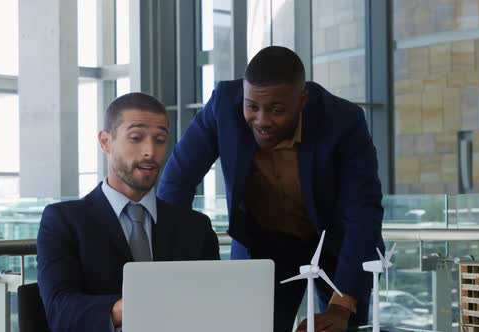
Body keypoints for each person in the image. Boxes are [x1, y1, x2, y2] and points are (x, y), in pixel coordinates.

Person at [157, 46, 384, 332]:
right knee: (253, 326)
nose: (262, 120)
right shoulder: (223, 106)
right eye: (252, 107)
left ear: (302, 100)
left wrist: (341, 306)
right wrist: (167, 267)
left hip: (334, 245)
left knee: (337, 326)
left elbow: (363, 214)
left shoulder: (343, 121)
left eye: (277, 110)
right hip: (264, 242)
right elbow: (177, 182)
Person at [36, 92, 220, 331]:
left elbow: (213, 306)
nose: (150, 151)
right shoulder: (64, 221)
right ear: (105, 142)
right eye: (136, 137)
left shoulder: (196, 227)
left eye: (160, 139)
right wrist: (135, 306)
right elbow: (60, 311)